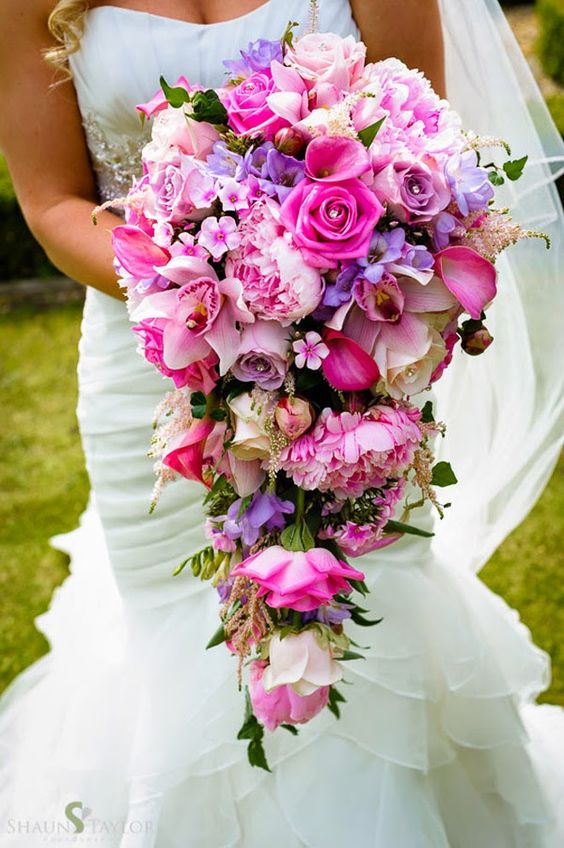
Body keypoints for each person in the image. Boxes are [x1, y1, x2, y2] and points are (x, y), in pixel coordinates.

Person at [0, 1, 562, 845]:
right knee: (185, 648)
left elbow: (425, 159)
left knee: (363, 637)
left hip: (348, 362)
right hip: (150, 367)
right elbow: (52, 203)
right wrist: (210, 290)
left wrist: (315, 299)